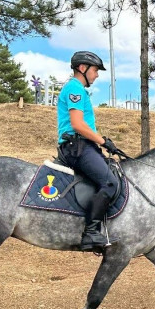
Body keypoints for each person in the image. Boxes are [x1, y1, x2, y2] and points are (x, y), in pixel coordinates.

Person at [57, 51, 123, 251]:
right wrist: (104, 141)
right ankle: (91, 233)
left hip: (84, 146)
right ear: (83, 68)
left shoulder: (79, 91)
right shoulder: (74, 88)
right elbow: (77, 124)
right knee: (110, 182)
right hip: (76, 147)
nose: (97, 75)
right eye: (95, 70)